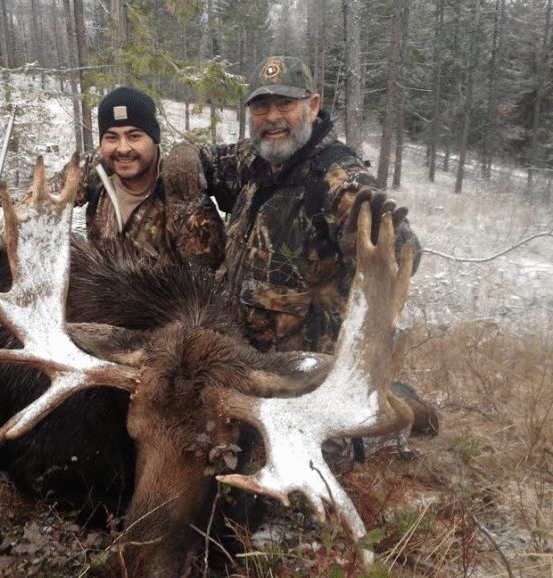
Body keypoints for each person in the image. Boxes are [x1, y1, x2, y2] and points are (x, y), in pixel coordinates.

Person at [162, 56, 437, 438]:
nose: (272, 117)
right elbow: (204, 160)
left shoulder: (336, 178)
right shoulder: (253, 160)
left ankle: (395, 409)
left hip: (301, 385)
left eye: (285, 104)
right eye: (261, 107)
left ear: (312, 106)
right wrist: (183, 153)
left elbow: (405, 252)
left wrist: (372, 228)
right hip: (237, 360)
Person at [0, 86, 225, 268]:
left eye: (135, 136)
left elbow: (204, 275)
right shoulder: (96, 170)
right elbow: (39, 206)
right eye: (111, 137)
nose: (123, 148)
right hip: (101, 304)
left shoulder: (180, 187)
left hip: (164, 320)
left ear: (154, 139)